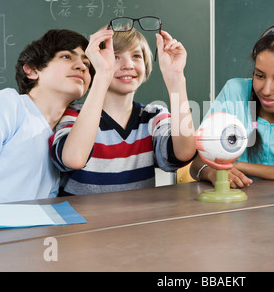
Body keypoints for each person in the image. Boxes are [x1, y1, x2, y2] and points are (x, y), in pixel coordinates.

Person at [49, 23, 196, 196]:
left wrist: (176, 77)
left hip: (137, 221)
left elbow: (185, 152)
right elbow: (73, 158)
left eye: (136, 56)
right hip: (83, 221)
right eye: (116, 57)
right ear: (97, 63)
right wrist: (103, 74)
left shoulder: (153, 117)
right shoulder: (74, 115)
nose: (128, 65)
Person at [190, 24, 274, 197]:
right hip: (233, 210)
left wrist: (240, 166)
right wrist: (212, 173)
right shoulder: (235, 91)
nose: (266, 90)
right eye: (259, 75)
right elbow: (197, 164)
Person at [0, 29, 93, 203]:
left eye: (87, 64)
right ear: (32, 70)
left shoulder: (65, 137)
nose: (82, 66)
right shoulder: (8, 104)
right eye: (66, 57)